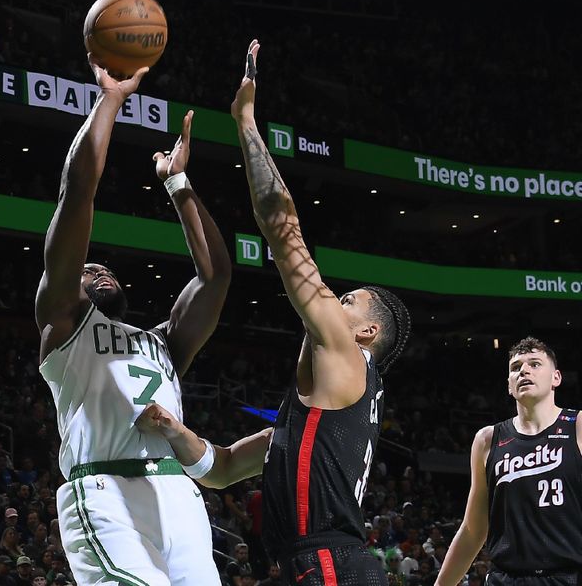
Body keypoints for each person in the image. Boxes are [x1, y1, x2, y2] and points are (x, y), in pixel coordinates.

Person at [137, 39, 411, 586]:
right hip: (313, 565)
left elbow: (283, 225)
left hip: (329, 565)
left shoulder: (347, 356)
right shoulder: (315, 421)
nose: (334, 300)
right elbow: (221, 468)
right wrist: (171, 427)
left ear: (367, 331)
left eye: (347, 301)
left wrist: (245, 122)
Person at [34, 49, 230, 584]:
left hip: (177, 494)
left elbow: (215, 278)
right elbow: (77, 195)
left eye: (104, 268)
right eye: (86, 268)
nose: (98, 271)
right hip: (104, 490)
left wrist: (180, 186)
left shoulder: (164, 342)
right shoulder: (64, 327)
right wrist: (110, 101)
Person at [435, 337, 582, 586]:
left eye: (535, 364)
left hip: (569, 576)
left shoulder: (577, 426)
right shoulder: (487, 440)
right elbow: (473, 530)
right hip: (506, 579)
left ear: (556, 377)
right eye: (516, 368)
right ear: (509, 386)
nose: (524, 370)